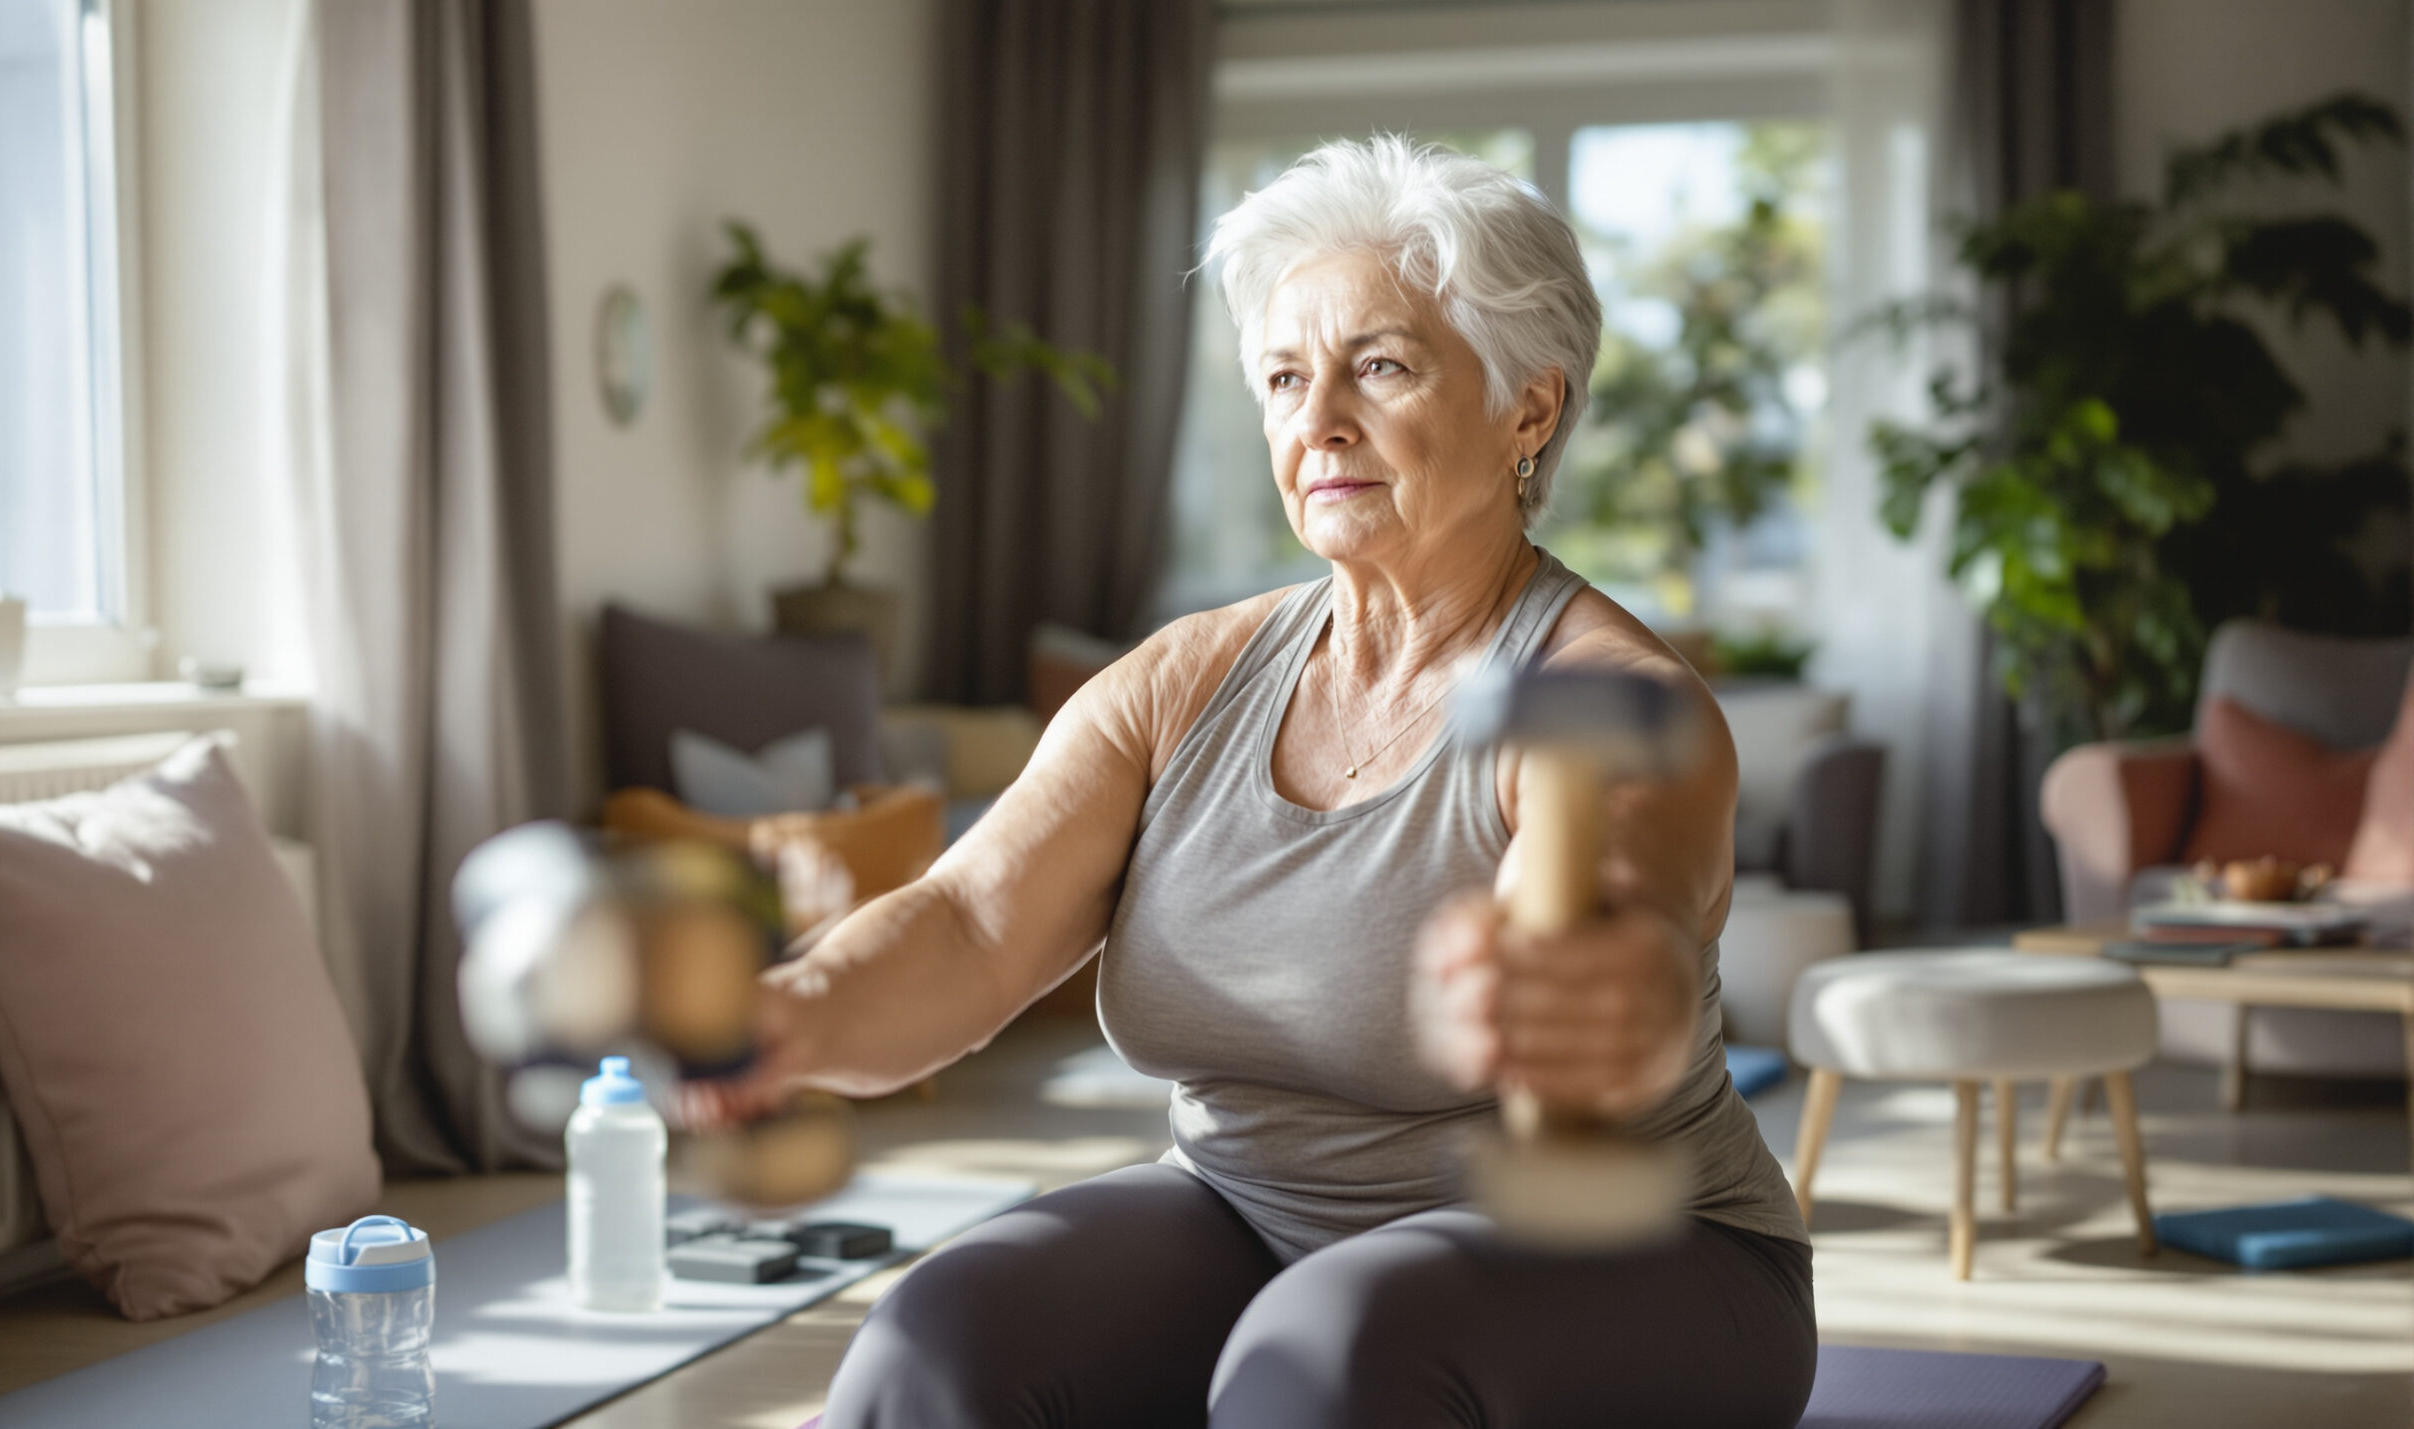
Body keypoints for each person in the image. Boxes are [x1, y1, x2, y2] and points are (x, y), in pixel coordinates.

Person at [696, 136, 1815, 1428]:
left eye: (1381, 367)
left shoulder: (1609, 696)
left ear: (1531, 407)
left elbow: (1630, 913)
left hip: (1635, 1258)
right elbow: (969, 922)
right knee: (938, 1341)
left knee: (1327, 1361)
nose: (1318, 421)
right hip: (1250, 1219)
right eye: (1286, 378)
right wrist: (786, 1012)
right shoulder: (1184, 681)